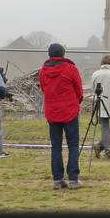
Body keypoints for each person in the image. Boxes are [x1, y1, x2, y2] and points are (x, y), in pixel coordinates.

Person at [38, 43, 83, 190]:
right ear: (63, 54)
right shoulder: (70, 68)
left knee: (56, 146)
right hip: (69, 110)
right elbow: (79, 89)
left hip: (52, 111)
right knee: (73, 145)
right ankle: (73, 179)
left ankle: (57, 179)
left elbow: (44, 88)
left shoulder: (43, 71)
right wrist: (76, 101)